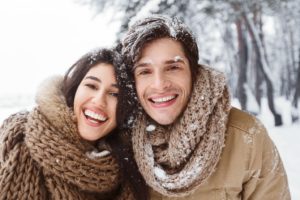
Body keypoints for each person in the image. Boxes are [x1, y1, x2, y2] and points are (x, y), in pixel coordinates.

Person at [120, 15, 291, 199]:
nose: (160, 84)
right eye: (145, 71)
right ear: (132, 80)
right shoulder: (117, 141)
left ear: (193, 72)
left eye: (173, 68)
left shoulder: (246, 136)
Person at [0, 48, 147, 200]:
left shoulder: (132, 165)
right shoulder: (19, 139)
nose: (99, 101)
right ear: (75, 89)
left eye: (114, 94)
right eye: (91, 86)